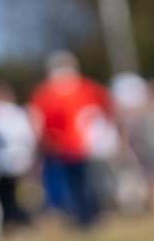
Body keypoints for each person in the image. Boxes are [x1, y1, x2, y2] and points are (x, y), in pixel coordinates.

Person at [28, 51, 110, 229]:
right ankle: (87, 217)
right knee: (81, 183)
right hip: (73, 146)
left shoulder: (50, 92)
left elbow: (38, 121)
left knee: (78, 184)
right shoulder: (84, 88)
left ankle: (86, 217)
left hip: (75, 146)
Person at [0, 84, 38, 228]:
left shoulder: (1, 114)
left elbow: (21, 136)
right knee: (12, 195)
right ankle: (17, 222)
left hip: (14, 161)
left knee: (18, 195)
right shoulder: (0, 114)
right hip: (9, 162)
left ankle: (21, 222)